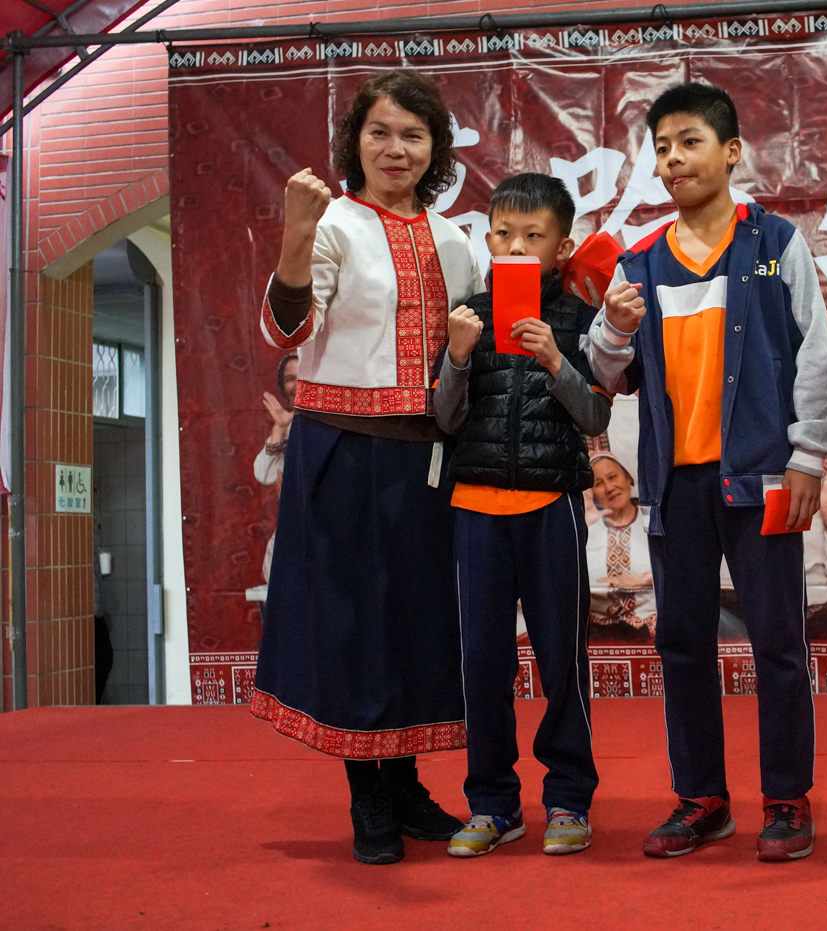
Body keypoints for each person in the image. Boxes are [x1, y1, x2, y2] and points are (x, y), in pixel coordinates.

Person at [587, 82, 827, 861]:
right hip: (674, 489)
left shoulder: (774, 243)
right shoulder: (640, 260)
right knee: (685, 644)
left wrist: (808, 456)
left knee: (777, 644)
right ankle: (701, 798)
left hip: (762, 479)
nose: (673, 159)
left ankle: (787, 799)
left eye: (689, 141)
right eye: (661, 147)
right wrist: (615, 326)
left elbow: (816, 356)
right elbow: (604, 372)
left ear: (731, 152)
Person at [251, 69, 484, 866]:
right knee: (353, 624)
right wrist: (292, 232)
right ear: (355, 139)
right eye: (381, 132)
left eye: (414, 135)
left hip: (427, 456)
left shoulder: (458, 242)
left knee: (421, 622)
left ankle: (409, 782)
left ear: (435, 149)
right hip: (342, 449)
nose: (396, 148)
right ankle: (368, 796)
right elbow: (286, 331)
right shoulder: (332, 225)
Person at [433, 172, 610, 859]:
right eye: (503, 233)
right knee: (481, 663)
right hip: (475, 509)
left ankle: (568, 797)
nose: (515, 246)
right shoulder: (468, 315)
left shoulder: (578, 317)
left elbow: (595, 415)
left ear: (561, 246)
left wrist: (555, 359)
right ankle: (492, 804)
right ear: (486, 239)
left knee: (562, 660)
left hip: (551, 507)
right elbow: (443, 418)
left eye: (532, 236)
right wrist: (455, 355)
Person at [586, 451, 656, 638]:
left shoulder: (654, 521)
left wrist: (642, 579)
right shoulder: (586, 530)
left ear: (628, 479)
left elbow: (682, 566)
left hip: (653, 631)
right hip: (599, 635)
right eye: (598, 484)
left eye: (612, 477)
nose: (609, 488)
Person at [254, 354, 297, 581]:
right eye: (290, 379)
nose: (297, 385)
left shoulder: (334, 423)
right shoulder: (288, 427)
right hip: (293, 529)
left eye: (303, 376)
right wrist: (280, 428)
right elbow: (264, 473)